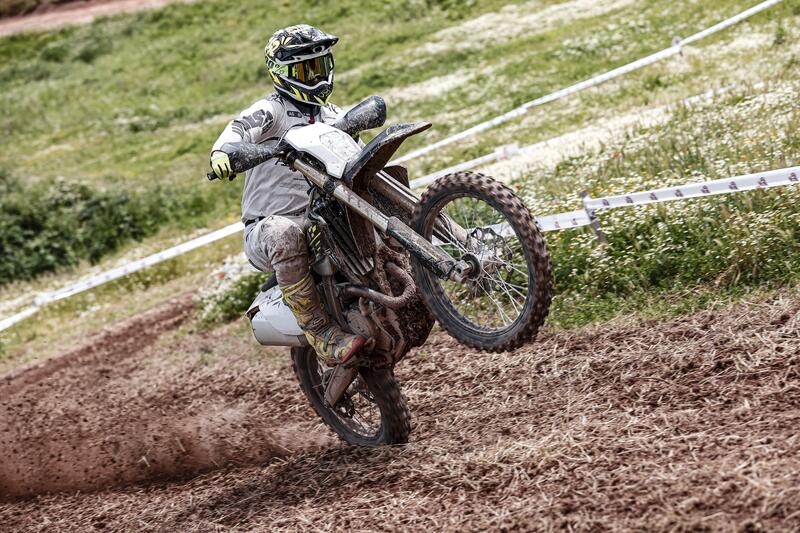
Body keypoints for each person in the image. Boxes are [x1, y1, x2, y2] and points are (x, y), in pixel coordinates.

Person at [209, 24, 365, 364]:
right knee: (284, 233)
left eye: (320, 66)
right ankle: (321, 332)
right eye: (306, 70)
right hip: (268, 228)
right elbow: (239, 128)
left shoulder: (332, 114)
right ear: (283, 73)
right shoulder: (272, 110)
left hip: (326, 219)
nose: (316, 77)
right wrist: (223, 153)